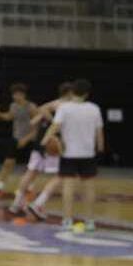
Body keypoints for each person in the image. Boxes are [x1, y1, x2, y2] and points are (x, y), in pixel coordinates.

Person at [42, 78, 105, 231]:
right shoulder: (94, 108)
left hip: (68, 153)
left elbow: (55, 127)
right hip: (88, 153)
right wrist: (101, 148)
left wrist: (44, 141)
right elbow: (99, 132)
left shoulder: (65, 108)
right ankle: (90, 221)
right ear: (87, 94)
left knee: (68, 187)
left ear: (73, 91)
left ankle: (67, 220)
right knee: (89, 188)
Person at [8, 82, 73, 220]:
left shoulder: (52, 104)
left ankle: (16, 203)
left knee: (31, 173)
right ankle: (38, 204)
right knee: (60, 175)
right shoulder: (66, 106)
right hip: (51, 143)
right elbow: (55, 123)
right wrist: (54, 123)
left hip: (39, 143)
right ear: (69, 93)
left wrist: (46, 119)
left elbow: (33, 121)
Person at [0, 83, 35, 198]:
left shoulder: (31, 107)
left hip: (29, 141)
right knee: (7, 164)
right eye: (14, 94)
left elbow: (37, 127)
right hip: (16, 139)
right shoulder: (13, 106)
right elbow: (9, 116)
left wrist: (26, 139)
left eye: (18, 94)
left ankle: (29, 190)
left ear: (24, 95)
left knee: (29, 168)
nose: (16, 97)